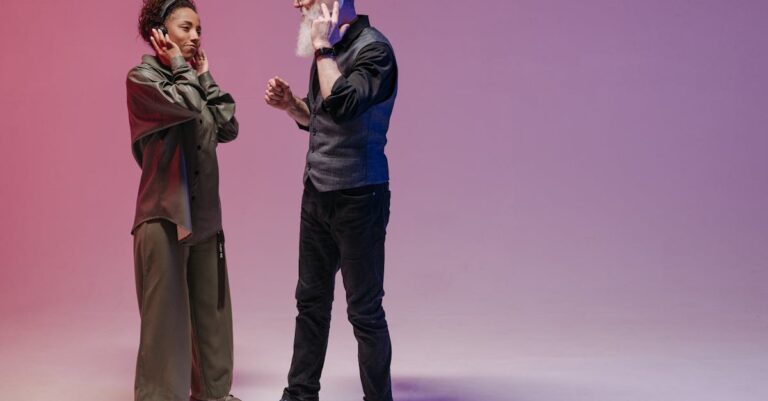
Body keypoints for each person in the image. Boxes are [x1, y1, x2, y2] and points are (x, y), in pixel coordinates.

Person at [264, 1, 398, 401]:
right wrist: (292, 106)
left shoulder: (375, 51)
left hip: (360, 198)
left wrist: (322, 48)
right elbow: (321, 118)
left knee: (364, 312)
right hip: (317, 195)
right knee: (310, 303)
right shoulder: (331, 48)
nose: (297, 3)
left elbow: (342, 104)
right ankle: (300, 395)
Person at [126, 1, 241, 400]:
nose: (195, 37)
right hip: (165, 216)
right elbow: (188, 107)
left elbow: (228, 126)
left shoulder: (191, 79)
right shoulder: (142, 78)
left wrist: (205, 75)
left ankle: (213, 394)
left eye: (199, 30)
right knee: (167, 324)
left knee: (212, 314)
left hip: (205, 219)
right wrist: (181, 66)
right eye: (186, 28)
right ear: (159, 33)